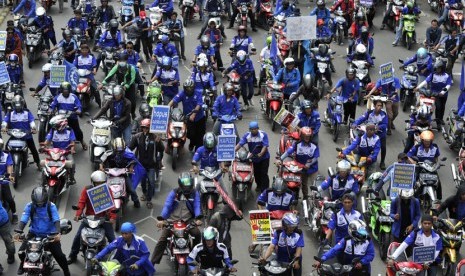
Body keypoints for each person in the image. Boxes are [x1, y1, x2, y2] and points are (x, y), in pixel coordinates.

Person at [14, 187, 70, 275]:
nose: (39, 205)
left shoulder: (51, 206)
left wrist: (58, 233)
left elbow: (56, 220)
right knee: (21, 252)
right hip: (34, 233)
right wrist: (19, 230)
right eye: (37, 203)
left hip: (50, 235)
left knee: (59, 255)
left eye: (41, 203)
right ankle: (22, 264)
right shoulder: (29, 206)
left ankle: (66, 271)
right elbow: (24, 219)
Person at [151, 172, 202, 264]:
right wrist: (162, 219)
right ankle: (152, 263)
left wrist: (198, 218)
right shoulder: (174, 193)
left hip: (188, 220)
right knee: (162, 239)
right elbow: (167, 205)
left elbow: (197, 206)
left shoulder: (194, 193)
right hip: (172, 220)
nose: (186, 186)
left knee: (197, 234)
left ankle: (196, 254)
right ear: (180, 183)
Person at [67, 171, 117, 264]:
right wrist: (78, 214)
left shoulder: (107, 190)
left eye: (101, 183)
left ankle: (117, 257)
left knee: (113, 239)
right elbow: (81, 202)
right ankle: (72, 255)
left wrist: (112, 217)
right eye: (97, 183)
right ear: (93, 182)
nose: (99, 185)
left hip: (103, 218)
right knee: (78, 237)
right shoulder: (87, 189)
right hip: (89, 218)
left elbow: (111, 205)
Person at [128, 119, 164, 209]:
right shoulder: (137, 137)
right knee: (143, 182)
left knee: (151, 183)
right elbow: (129, 148)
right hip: (140, 165)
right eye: (143, 128)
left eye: (147, 128)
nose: (145, 130)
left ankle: (149, 199)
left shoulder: (155, 137)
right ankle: (144, 193)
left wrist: (159, 142)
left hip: (151, 165)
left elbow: (161, 149)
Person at [99, 138, 142, 208]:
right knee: (102, 190)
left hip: (123, 175)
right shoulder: (108, 153)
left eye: (121, 150)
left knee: (132, 190)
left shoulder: (127, 154)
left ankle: (136, 200)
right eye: (117, 150)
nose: (119, 152)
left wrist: (131, 167)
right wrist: (101, 167)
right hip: (110, 175)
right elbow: (101, 161)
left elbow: (133, 160)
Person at [279, 127, 319, 200]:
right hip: (300, 168)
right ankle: (301, 197)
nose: (307, 138)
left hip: (312, 168)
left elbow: (315, 158)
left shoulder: (315, 145)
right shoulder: (297, 144)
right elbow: (288, 151)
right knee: (300, 182)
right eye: (305, 136)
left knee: (311, 185)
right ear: (301, 136)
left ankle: (309, 200)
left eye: (309, 136)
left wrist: (309, 164)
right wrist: (280, 159)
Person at [1, 95, 40, 169]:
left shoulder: (27, 112)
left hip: (26, 136)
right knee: (6, 149)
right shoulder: (10, 113)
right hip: (14, 136)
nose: (18, 107)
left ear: (22, 104)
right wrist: (4, 127)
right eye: (16, 105)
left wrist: (33, 128)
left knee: (33, 149)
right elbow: (5, 121)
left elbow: (32, 121)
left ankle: (38, 163)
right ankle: (6, 165)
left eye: (19, 105)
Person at [169, 79, 206, 151]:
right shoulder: (182, 93)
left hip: (199, 118)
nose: (189, 90)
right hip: (188, 118)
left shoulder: (198, 93)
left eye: (190, 88)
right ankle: (192, 143)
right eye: (187, 88)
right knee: (190, 134)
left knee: (200, 136)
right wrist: (166, 109)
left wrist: (194, 114)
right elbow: (173, 100)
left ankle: (197, 151)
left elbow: (199, 105)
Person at [50, 82, 87, 151]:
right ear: (61, 90)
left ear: (69, 90)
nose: (65, 92)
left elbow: (79, 106)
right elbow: (53, 105)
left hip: (72, 117)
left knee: (77, 130)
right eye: (64, 90)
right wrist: (51, 110)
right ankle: (53, 141)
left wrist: (79, 110)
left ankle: (82, 142)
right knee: (53, 128)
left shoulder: (74, 97)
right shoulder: (58, 97)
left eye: (67, 90)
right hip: (61, 118)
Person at [236, 121, 270, 192]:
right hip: (254, 158)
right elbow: (240, 144)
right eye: (252, 129)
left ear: (258, 128)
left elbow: (265, 146)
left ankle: (265, 190)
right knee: (256, 173)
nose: (253, 130)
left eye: (255, 129)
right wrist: (232, 151)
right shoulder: (247, 136)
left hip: (264, 157)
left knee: (264, 174)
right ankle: (259, 185)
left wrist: (261, 153)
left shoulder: (263, 134)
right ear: (249, 129)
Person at [352, 100, 388, 169]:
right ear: (374, 106)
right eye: (378, 105)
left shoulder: (384, 114)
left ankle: (382, 162)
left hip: (380, 134)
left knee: (383, 147)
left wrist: (379, 127)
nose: (380, 107)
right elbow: (362, 118)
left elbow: (385, 124)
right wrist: (355, 123)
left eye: (381, 106)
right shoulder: (369, 113)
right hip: (369, 132)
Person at [415, 60, 452, 126]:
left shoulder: (446, 75)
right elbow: (426, 81)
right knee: (438, 107)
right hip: (435, 94)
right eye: (436, 68)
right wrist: (418, 87)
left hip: (443, 95)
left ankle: (441, 119)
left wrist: (443, 92)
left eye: (438, 68)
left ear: (442, 68)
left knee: (442, 107)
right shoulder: (433, 74)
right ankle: (438, 122)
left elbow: (448, 85)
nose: (437, 69)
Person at [407, 130, 442, 199]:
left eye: (429, 141)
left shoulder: (435, 147)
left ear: (431, 141)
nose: (427, 142)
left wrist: (436, 164)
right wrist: (413, 162)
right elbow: (408, 156)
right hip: (419, 168)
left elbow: (436, 157)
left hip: (431, 168)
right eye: (425, 141)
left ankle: (438, 199)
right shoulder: (417, 147)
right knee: (414, 182)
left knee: (438, 182)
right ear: (422, 140)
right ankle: (413, 198)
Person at [43, 115, 77, 184]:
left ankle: (71, 178)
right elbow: (47, 140)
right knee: (46, 166)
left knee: (72, 164)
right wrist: (44, 146)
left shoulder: (69, 130)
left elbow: (72, 142)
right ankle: (44, 180)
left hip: (66, 152)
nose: (55, 127)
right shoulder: (53, 130)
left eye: (56, 126)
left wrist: (72, 149)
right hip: (55, 152)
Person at [73, 43, 102, 108]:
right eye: (83, 50)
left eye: (86, 50)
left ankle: (99, 103)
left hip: (89, 76)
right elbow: (74, 65)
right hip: (79, 77)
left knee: (95, 89)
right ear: (81, 50)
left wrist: (94, 70)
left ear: (88, 50)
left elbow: (94, 65)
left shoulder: (91, 57)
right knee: (73, 89)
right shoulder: (78, 57)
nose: (84, 51)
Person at [0, 137, 17, 224]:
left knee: (9, 199)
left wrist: (10, 176)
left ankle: (14, 214)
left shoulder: (6, 155)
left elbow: (9, 166)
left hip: (3, 180)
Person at [0, 199, 15, 272]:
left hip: (2, 220)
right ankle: (11, 256)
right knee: (8, 239)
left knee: (8, 239)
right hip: (3, 219)